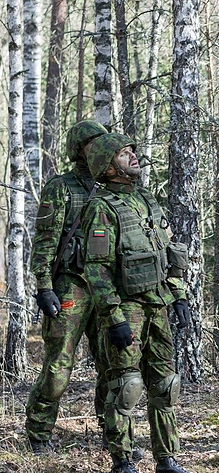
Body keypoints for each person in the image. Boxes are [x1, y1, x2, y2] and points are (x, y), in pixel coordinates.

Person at [82, 132, 205, 473]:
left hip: (158, 305)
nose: (133, 157)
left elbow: (171, 254)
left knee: (166, 386)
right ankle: (122, 464)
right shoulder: (101, 208)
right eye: (123, 153)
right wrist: (113, 317)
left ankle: (166, 461)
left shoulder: (147, 199)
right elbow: (96, 268)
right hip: (126, 310)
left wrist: (179, 296)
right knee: (126, 386)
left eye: (132, 151)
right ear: (108, 168)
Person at [26, 119, 110, 455]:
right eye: (93, 144)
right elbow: (45, 242)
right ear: (80, 149)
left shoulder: (113, 188)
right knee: (59, 366)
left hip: (107, 290)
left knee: (113, 364)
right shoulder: (61, 188)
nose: (101, 150)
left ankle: (114, 433)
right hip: (69, 287)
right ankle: (39, 433)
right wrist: (44, 286)